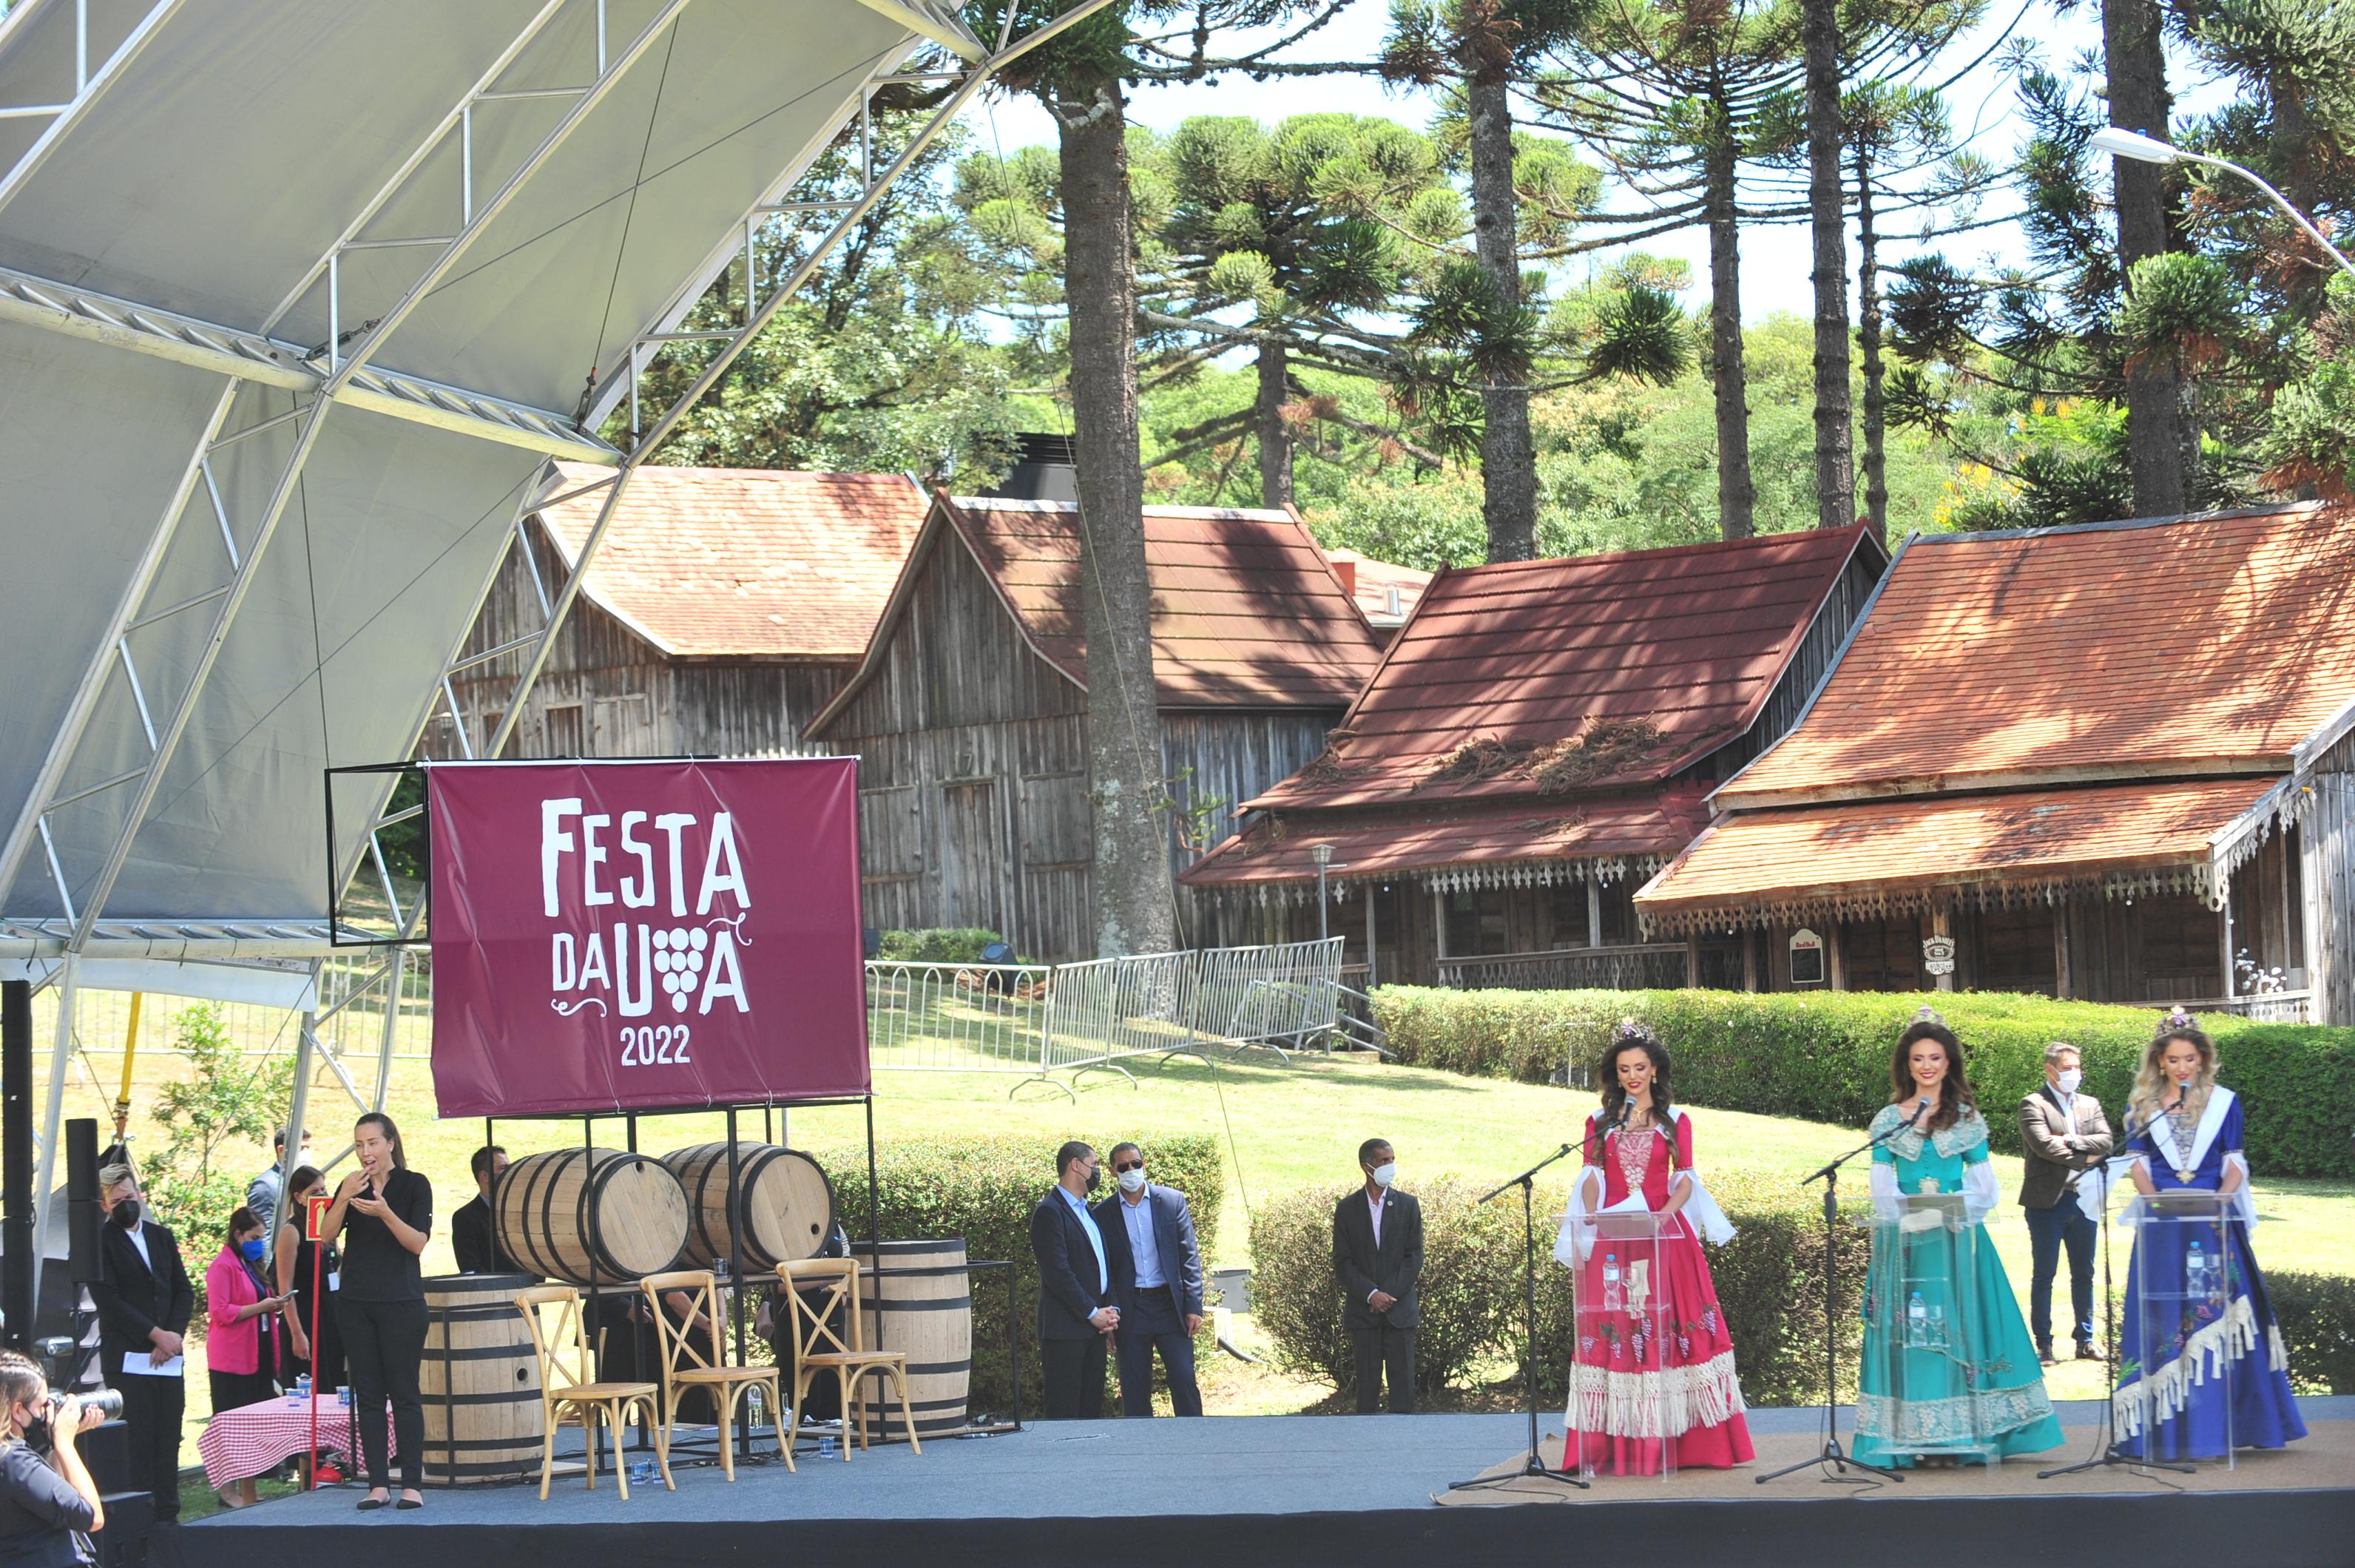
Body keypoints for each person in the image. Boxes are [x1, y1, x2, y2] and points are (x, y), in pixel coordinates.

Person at [1853, 1009, 2061, 1468]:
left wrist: (1948, 1210)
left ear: (1949, 1064)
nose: (1927, 1066)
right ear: (1906, 1066)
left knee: (1962, 1330)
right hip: (1905, 1248)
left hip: (1957, 1243)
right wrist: (1911, 1214)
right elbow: (1881, 1185)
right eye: (1918, 1059)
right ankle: (1914, 1437)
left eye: (1936, 1058)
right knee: (1913, 1336)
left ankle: (1960, 1437)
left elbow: (1985, 1186)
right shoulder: (1890, 1119)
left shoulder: (1966, 1118)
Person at [1561, 1023, 1754, 1471]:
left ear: (1654, 1071)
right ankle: (1613, 1445)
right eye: (1624, 1069)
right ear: (1615, 1073)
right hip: (1616, 1236)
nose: (1632, 1076)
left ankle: (1690, 1443)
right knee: (1619, 1324)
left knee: (1673, 1324)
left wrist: (1666, 1214)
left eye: (1640, 1068)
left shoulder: (1675, 1120)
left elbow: (1685, 1175)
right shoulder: (1599, 1121)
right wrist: (1592, 1213)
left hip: (1665, 1236)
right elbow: (1592, 1175)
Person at [2115, 1010, 2306, 1460]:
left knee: (2217, 1311)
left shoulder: (2225, 1102)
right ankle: (2161, 1428)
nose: (2183, 1067)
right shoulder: (2140, 1106)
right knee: (2163, 1312)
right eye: (2173, 1060)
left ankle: (2221, 1425)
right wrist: (2156, 1204)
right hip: (2163, 1223)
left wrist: (2221, 1203)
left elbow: (2234, 1160)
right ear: (2160, 1062)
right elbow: (2136, 1162)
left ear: (2203, 1060)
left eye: (2190, 1059)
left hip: (2213, 1220)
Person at [322, 1112, 432, 1511]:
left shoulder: (415, 1185)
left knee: (404, 1395)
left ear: (389, 1143)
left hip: (401, 1302)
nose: (365, 1152)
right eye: (358, 1145)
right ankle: (378, 1484)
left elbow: (417, 1243)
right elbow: (326, 1234)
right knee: (368, 1396)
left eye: (372, 1143)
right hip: (356, 1303)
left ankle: (413, 1485)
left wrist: (384, 1211)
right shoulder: (352, 1185)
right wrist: (343, 1198)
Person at [86, 1162, 191, 1525]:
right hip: (129, 1359)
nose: (126, 1204)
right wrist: (153, 1334)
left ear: (139, 1194)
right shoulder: (100, 1244)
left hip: (169, 1357)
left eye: (129, 1197)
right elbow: (110, 1302)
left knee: (168, 1434)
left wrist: (172, 1336)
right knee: (139, 1438)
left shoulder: (162, 1236)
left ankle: (168, 1512)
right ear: (104, 1206)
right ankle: (142, 1514)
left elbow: (182, 1290)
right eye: (117, 1201)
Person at [1091, 1142, 1205, 1419]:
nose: (1131, 1170)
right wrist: (1110, 1318)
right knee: (1134, 1387)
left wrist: (1194, 1305)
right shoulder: (1103, 1214)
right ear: (1112, 1171)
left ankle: (1197, 1439)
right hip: (1132, 1310)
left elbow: (1188, 1255)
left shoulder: (1170, 1201)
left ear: (1144, 1164)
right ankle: (1141, 1449)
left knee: (1183, 1378)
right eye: (1124, 1166)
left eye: (1136, 1164)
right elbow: (1105, 1270)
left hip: (1170, 1305)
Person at [2017, 1041, 2112, 1365]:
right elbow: (2044, 1147)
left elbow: (2107, 1141)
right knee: (2045, 1274)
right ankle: (2043, 1343)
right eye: (2067, 1067)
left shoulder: (2090, 1104)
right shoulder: (2033, 1104)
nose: (2074, 1073)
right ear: (2050, 1070)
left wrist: (2071, 1140)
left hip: (2085, 1201)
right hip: (2047, 1202)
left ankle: (2085, 1340)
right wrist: (2087, 1158)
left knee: (2084, 1273)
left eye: (2076, 1067)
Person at [203, 1208, 292, 1510]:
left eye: (262, 1238)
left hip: (259, 1352)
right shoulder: (222, 1266)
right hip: (232, 1360)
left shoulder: (251, 1265)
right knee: (229, 1424)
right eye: (254, 1237)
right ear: (238, 1235)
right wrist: (260, 1307)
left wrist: (273, 1306)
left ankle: (248, 1489)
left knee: (251, 1424)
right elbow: (220, 1312)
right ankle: (228, 1491)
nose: (259, 1243)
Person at [1331, 1138, 1422, 1415]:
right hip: (1364, 1313)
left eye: (1392, 1160)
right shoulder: (1347, 1209)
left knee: (1403, 1388)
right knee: (1367, 1390)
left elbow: (1414, 1256)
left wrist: (1388, 1295)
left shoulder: (1407, 1205)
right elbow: (1343, 1261)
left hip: (1400, 1312)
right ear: (1366, 1166)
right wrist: (1371, 1294)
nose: (1390, 1167)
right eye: (1384, 1161)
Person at [1029, 1141, 1116, 1419]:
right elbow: (1058, 1273)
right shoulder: (1050, 1212)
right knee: (1065, 1411)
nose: (1098, 1171)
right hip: (1066, 1330)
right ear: (1076, 1166)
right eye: (1095, 1164)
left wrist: (1109, 1312)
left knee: (1090, 1408)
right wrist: (1092, 1312)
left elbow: (1100, 1265)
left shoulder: (1086, 1211)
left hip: (1095, 1328)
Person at [0, 1351, 104, 1568]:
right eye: (41, 1406)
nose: (45, 1413)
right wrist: (65, 1444)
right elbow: (92, 1518)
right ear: (18, 1410)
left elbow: (48, 1494)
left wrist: (59, 1447)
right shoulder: (14, 1460)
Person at [273, 1165, 345, 1398]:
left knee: (332, 1384)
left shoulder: (328, 1231)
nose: (322, 1196)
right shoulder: (291, 1232)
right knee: (309, 1386)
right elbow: (285, 1289)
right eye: (315, 1192)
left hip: (331, 1317)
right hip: (304, 1318)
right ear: (299, 1197)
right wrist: (297, 1333)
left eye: (324, 1190)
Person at [450, 1146, 517, 1276]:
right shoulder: (465, 1217)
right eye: (504, 1169)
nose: (509, 1174)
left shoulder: (518, 1213)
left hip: (527, 1292)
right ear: (485, 1176)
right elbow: (470, 1267)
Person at [247, 1126, 312, 1240]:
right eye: (301, 1148)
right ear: (281, 1150)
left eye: (308, 1147)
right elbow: (262, 1235)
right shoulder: (266, 1185)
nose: (306, 1153)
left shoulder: (308, 1182)